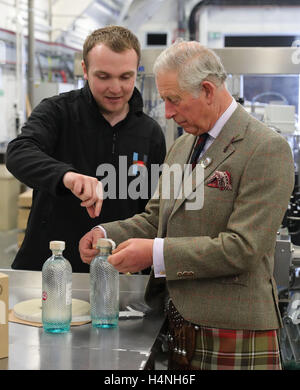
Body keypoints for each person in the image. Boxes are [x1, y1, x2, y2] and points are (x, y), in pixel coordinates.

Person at [79, 40, 295, 370]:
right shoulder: (183, 145)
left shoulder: (264, 148)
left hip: (232, 330)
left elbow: (244, 247)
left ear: (207, 90)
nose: (166, 112)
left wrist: (155, 253)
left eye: (173, 100)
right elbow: (157, 218)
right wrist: (105, 232)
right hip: (179, 328)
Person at [6, 25, 166, 273]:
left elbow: (151, 212)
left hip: (117, 273)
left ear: (138, 72)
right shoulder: (57, 112)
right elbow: (19, 152)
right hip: (49, 267)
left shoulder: (150, 133)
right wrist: (66, 176)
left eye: (126, 77)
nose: (115, 88)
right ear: (85, 70)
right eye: (103, 76)